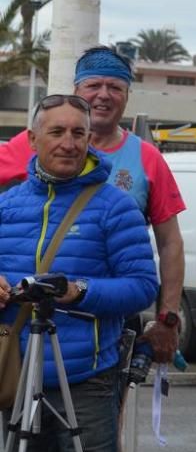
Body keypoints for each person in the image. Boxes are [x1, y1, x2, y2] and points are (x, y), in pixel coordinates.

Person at [0, 95, 159, 452]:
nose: (68, 143)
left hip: (87, 382)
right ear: (33, 139)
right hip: (17, 379)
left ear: (90, 140)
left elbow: (142, 285)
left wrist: (77, 291)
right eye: (56, 132)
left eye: (78, 133)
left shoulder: (116, 207)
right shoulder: (7, 206)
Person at [0, 46, 185, 363]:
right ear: (76, 91)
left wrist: (168, 318)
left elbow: (170, 242)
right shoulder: (29, 144)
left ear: (127, 95)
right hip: (23, 326)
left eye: (115, 87)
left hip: (109, 315)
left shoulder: (147, 158)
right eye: (93, 85)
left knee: (104, 406)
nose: (104, 95)